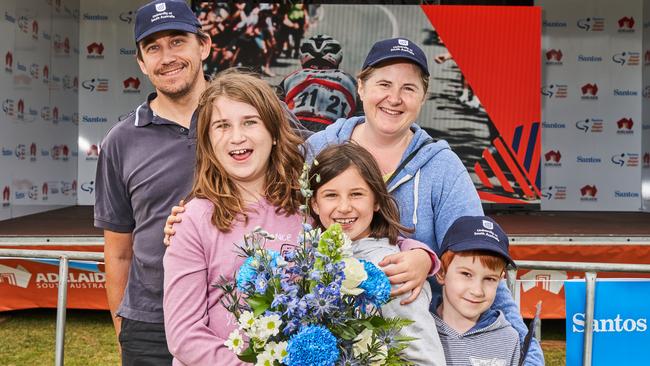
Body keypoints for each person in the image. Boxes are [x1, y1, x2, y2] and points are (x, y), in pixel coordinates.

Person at [162, 71, 435, 365]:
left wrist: (419, 255)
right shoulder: (195, 219)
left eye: (250, 122)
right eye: (222, 126)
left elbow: (362, 233)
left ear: (274, 133)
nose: (237, 137)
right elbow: (183, 333)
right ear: (207, 140)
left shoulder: (305, 203)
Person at [305, 37, 544, 365]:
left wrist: (528, 356)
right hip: (321, 338)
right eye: (384, 84)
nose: (394, 98)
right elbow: (285, 229)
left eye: (409, 88)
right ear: (361, 86)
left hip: (412, 345)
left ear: (423, 96)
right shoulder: (317, 150)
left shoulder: (441, 166)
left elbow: (480, 260)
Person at [94, 1, 211, 364]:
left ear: (203, 46)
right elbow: (118, 251)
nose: (167, 57)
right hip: (150, 323)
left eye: (178, 41)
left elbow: (322, 165)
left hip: (236, 310)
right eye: (153, 48)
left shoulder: (247, 118)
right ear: (142, 63)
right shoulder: (120, 140)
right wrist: (123, 332)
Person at [309, 142, 446, 366]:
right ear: (315, 203)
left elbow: (426, 359)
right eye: (331, 195)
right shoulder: (313, 258)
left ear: (376, 202)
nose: (344, 207)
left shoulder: (392, 269)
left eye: (356, 194)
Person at [433, 216, 520, 366]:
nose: (477, 291)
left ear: (500, 279)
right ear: (441, 272)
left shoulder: (509, 338)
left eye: (490, 279)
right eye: (466, 274)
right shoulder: (417, 329)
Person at [278, 34, 359, 132]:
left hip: (294, 130)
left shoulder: (292, 77)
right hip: (332, 132)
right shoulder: (348, 80)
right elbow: (361, 115)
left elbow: (275, 107)